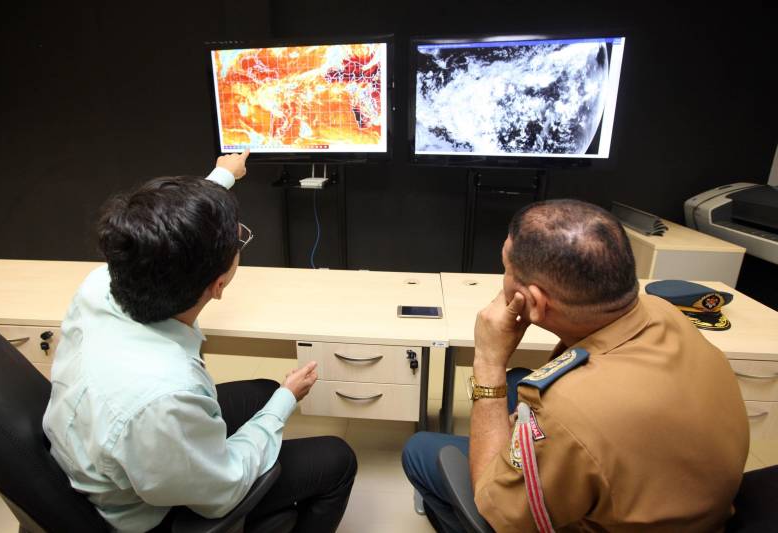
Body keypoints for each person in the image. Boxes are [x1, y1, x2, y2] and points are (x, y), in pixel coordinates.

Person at [43, 153, 357, 533]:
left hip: (99, 444)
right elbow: (224, 489)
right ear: (218, 286)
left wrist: (223, 174)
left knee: (263, 389)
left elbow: (161, 232)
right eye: (238, 237)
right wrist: (286, 402)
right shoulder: (165, 396)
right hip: (150, 511)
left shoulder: (100, 283)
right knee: (336, 459)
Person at [403, 199, 748, 532]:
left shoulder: (567, 414)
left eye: (507, 270)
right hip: (684, 499)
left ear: (534, 301)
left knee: (420, 451)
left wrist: (488, 361)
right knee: (520, 381)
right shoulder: (662, 311)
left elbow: (495, 509)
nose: (504, 279)